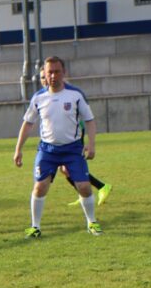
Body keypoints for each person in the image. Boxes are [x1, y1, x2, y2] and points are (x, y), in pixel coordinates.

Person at [13, 56, 102, 237]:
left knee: (84, 186)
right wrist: (18, 149)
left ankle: (92, 222)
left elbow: (89, 120)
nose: (53, 76)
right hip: (48, 150)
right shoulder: (39, 97)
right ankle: (35, 227)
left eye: (56, 72)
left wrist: (91, 144)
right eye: (50, 72)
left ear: (64, 72)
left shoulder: (75, 95)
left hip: (72, 149)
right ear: (45, 74)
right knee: (40, 187)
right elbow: (28, 123)